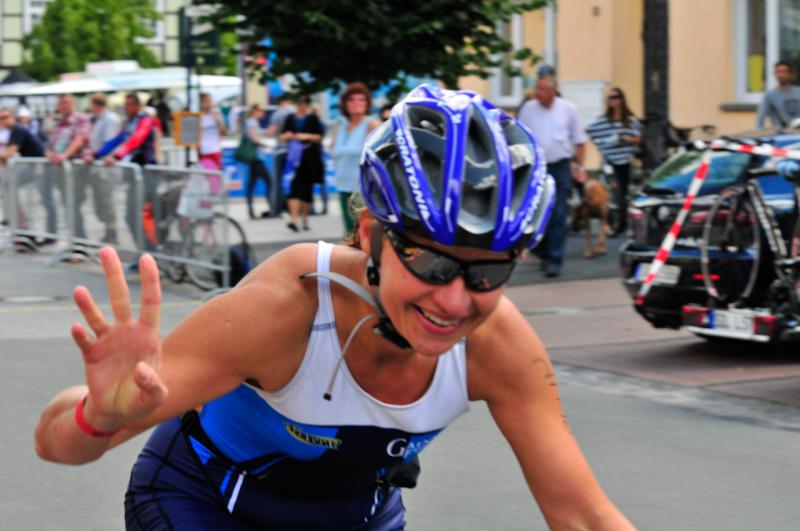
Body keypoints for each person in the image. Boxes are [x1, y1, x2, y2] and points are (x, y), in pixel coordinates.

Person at [33, 84, 635, 530]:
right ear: (370, 233)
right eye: (430, 263)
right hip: (205, 502)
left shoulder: (497, 343)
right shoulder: (286, 308)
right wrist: (99, 418)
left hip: (354, 516)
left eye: (488, 272)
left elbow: (584, 516)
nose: (454, 300)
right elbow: (55, 444)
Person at [517, 75, 588, 278]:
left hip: (560, 167)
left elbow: (579, 141)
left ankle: (554, 259)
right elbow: (518, 136)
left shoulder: (568, 109)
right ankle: (543, 252)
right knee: (535, 211)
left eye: (541, 89)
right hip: (536, 167)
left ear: (552, 90)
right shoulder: (528, 108)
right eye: (536, 88)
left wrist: (579, 167)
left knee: (558, 213)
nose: (536, 93)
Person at [94, 94, 159, 248]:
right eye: (125, 104)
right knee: (131, 217)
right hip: (135, 177)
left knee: (143, 216)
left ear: (137, 105)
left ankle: (151, 251)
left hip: (148, 174)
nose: (126, 107)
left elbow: (135, 140)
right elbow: (116, 140)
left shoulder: (145, 121)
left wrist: (116, 156)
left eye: (129, 104)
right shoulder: (129, 123)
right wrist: (95, 154)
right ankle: (145, 250)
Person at [585, 87, 641, 236]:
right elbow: (589, 131)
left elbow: (638, 138)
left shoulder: (630, 120)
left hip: (624, 161)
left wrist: (624, 139)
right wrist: (603, 143)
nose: (613, 100)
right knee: (611, 192)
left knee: (623, 193)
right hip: (609, 161)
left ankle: (621, 223)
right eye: (610, 98)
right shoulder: (602, 120)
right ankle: (609, 223)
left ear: (621, 99)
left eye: (616, 97)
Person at [332, 83, 381, 235]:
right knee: (350, 234)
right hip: (343, 187)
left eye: (361, 99)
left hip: (363, 190)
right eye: (352, 99)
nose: (356, 103)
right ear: (345, 104)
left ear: (367, 103)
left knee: (362, 235)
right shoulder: (341, 125)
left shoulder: (372, 124)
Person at [45, 94, 92, 245]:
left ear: (72, 104)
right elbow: (50, 145)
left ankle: (80, 242)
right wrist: (51, 155)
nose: (64, 106)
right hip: (62, 172)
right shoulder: (59, 123)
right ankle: (76, 242)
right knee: (68, 206)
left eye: (67, 103)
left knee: (74, 205)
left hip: (77, 171)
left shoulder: (81, 119)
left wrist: (64, 156)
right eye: (62, 103)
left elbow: (80, 139)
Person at [79, 93, 121, 244]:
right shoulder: (96, 119)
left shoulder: (109, 119)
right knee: (101, 203)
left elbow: (109, 143)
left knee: (106, 202)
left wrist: (94, 155)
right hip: (97, 169)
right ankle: (109, 232)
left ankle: (112, 233)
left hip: (105, 169)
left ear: (96, 104)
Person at [0, 108, 46, 245]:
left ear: (13, 117)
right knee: (10, 189)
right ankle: (21, 227)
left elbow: (9, 153)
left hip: (39, 169)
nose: (3, 120)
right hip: (32, 169)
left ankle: (25, 229)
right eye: (1, 118)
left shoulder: (18, 129)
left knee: (40, 202)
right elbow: (6, 155)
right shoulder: (13, 132)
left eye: (5, 117)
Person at [280, 95, 324, 232]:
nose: (301, 106)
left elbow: (319, 136)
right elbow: (282, 136)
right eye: (299, 104)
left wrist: (306, 136)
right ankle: (294, 220)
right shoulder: (290, 118)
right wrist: (287, 136)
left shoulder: (313, 118)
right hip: (293, 157)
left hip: (308, 158)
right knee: (292, 188)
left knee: (306, 189)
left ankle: (305, 219)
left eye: (304, 104)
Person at [244, 104, 272, 219]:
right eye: (261, 110)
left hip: (255, 158)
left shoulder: (252, 122)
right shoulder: (252, 122)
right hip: (257, 158)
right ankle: (272, 207)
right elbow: (254, 139)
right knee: (269, 182)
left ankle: (251, 211)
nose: (263, 113)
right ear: (255, 111)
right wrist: (265, 145)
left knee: (252, 184)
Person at [756, 60, 800, 129]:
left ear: (791, 74)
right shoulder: (769, 95)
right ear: (775, 74)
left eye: (784, 72)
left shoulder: (798, 92)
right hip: (779, 134)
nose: (781, 75)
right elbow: (760, 120)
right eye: (778, 72)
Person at [199, 93, 226, 170]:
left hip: (215, 149)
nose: (208, 103)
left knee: (215, 174)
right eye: (206, 101)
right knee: (206, 174)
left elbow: (223, 131)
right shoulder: (199, 115)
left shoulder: (216, 113)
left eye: (210, 101)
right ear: (201, 103)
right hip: (203, 150)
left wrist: (218, 121)